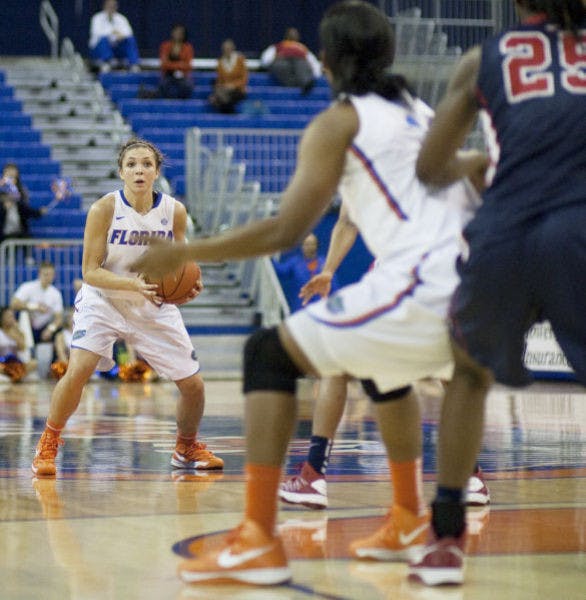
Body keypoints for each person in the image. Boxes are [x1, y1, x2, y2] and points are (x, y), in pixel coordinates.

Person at [133, 1, 483, 586]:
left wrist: (185, 251)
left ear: (328, 61)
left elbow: (285, 231)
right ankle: (404, 516)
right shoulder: (420, 111)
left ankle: (258, 540)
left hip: (427, 284)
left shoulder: (340, 122)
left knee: (266, 353)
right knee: (379, 366)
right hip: (475, 284)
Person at [408, 0, 586, 587]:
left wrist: (482, 161)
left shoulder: (484, 57)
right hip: (578, 230)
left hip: (503, 234)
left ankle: (445, 538)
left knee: (468, 377)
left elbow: (431, 168)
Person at [30, 138, 223, 478]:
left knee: (194, 386)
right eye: (132, 164)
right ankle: (48, 441)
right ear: (121, 172)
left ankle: (186, 446)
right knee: (78, 371)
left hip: (151, 302)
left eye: (146, 164)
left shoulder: (174, 212)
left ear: (156, 172)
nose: (139, 170)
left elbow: (180, 264)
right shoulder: (104, 209)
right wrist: (132, 283)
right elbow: (89, 271)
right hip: (104, 299)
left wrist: (191, 285)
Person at [279, 206, 489, 510]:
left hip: (409, 279)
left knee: (336, 362)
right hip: (441, 279)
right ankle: (470, 476)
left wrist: (329, 270)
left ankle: (313, 475)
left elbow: (349, 218)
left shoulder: (382, 166)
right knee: (449, 375)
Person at [273, 232, 339, 312]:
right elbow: (281, 271)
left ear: (316, 246)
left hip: (321, 309)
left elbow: (334, 287)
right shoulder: (295, 263)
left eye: (311, 244)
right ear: (302, 246)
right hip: (301, 309)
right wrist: (269, 258)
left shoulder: (324, 263)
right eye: (306, 244)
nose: (309, 247)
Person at [10, 261, 64, 346]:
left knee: (59, 332)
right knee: (20, 315)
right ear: (39, 274)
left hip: (44, 327)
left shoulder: (56, 294)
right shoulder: (28, 287)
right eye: (45, 274)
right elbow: (14, 303)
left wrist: (50, 329)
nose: (48, 277)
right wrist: (35, 307)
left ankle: (60, 359)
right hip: (26, 326)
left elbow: (59, 318)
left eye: (51, 275)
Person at [260, 27, 321, 93]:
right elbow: (265, 60)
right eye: (291, 34)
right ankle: (295, 85)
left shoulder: (302, 48)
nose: (293, 35)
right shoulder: (277, 47)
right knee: (281, 65)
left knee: (301, 65)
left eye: (295, 34)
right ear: (286, 36)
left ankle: (306, 83)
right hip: (282, 63)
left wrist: (316, 74)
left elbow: (313, 62)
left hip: (299, 63)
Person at [0, 164, 47, 245]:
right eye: (9, 176)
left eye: (14, 177)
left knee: (27, 238)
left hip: (19, 231)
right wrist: (4, 208)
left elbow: (27, 210)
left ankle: (28, 257)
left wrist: (39, 212)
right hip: (3, 232)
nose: (11, 180)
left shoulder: (21, 193)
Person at [89, 0, 140, 73]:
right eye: (109, 6)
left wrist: (120, 36)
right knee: (104, 40)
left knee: (130, 40)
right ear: (104, 6)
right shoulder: (97, 18)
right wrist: (113, 33)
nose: (111, 8)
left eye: (113, 6)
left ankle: (134, 64)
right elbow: (97, 33)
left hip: (116, 49)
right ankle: (106, 63)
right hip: (99, 49)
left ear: (116, 7)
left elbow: (129, 33)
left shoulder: (121, 18)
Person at [209, 39, 248, 113]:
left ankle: (219, 99)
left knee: (221, 99)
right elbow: (220, 80)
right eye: (225, 49)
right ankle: (220, 99)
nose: (227, 50)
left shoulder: (240, 60)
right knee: (217, 88)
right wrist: (225, 87)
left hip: (238, 90)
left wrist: (233, 85)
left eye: (229, 48)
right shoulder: (220, 62)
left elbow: (244, 78)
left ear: (233, 49)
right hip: (225, 90)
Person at [0, 306, 37, 382]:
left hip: (16, 363)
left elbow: (22, 348)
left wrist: (15, 331)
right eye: (8, 316)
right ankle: (13, 375)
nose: (11, 318)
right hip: (2, 363)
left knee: (34, 363)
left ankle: (15, 374)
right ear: (2, 318)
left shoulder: (18, 332)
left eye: (12, 316)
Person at [158, 24, 194, 100]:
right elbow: (164, 64)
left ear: (184, 35)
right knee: (163, 84)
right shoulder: (165, 46)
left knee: (188, 85)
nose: (178, 35)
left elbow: (188, 65)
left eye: (180, 33)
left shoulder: (188, 47)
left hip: (183, 75)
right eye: (176, 32)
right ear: (172, 32)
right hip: (167, 75)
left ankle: (182, 103)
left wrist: (171, 65)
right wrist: (180, 64)